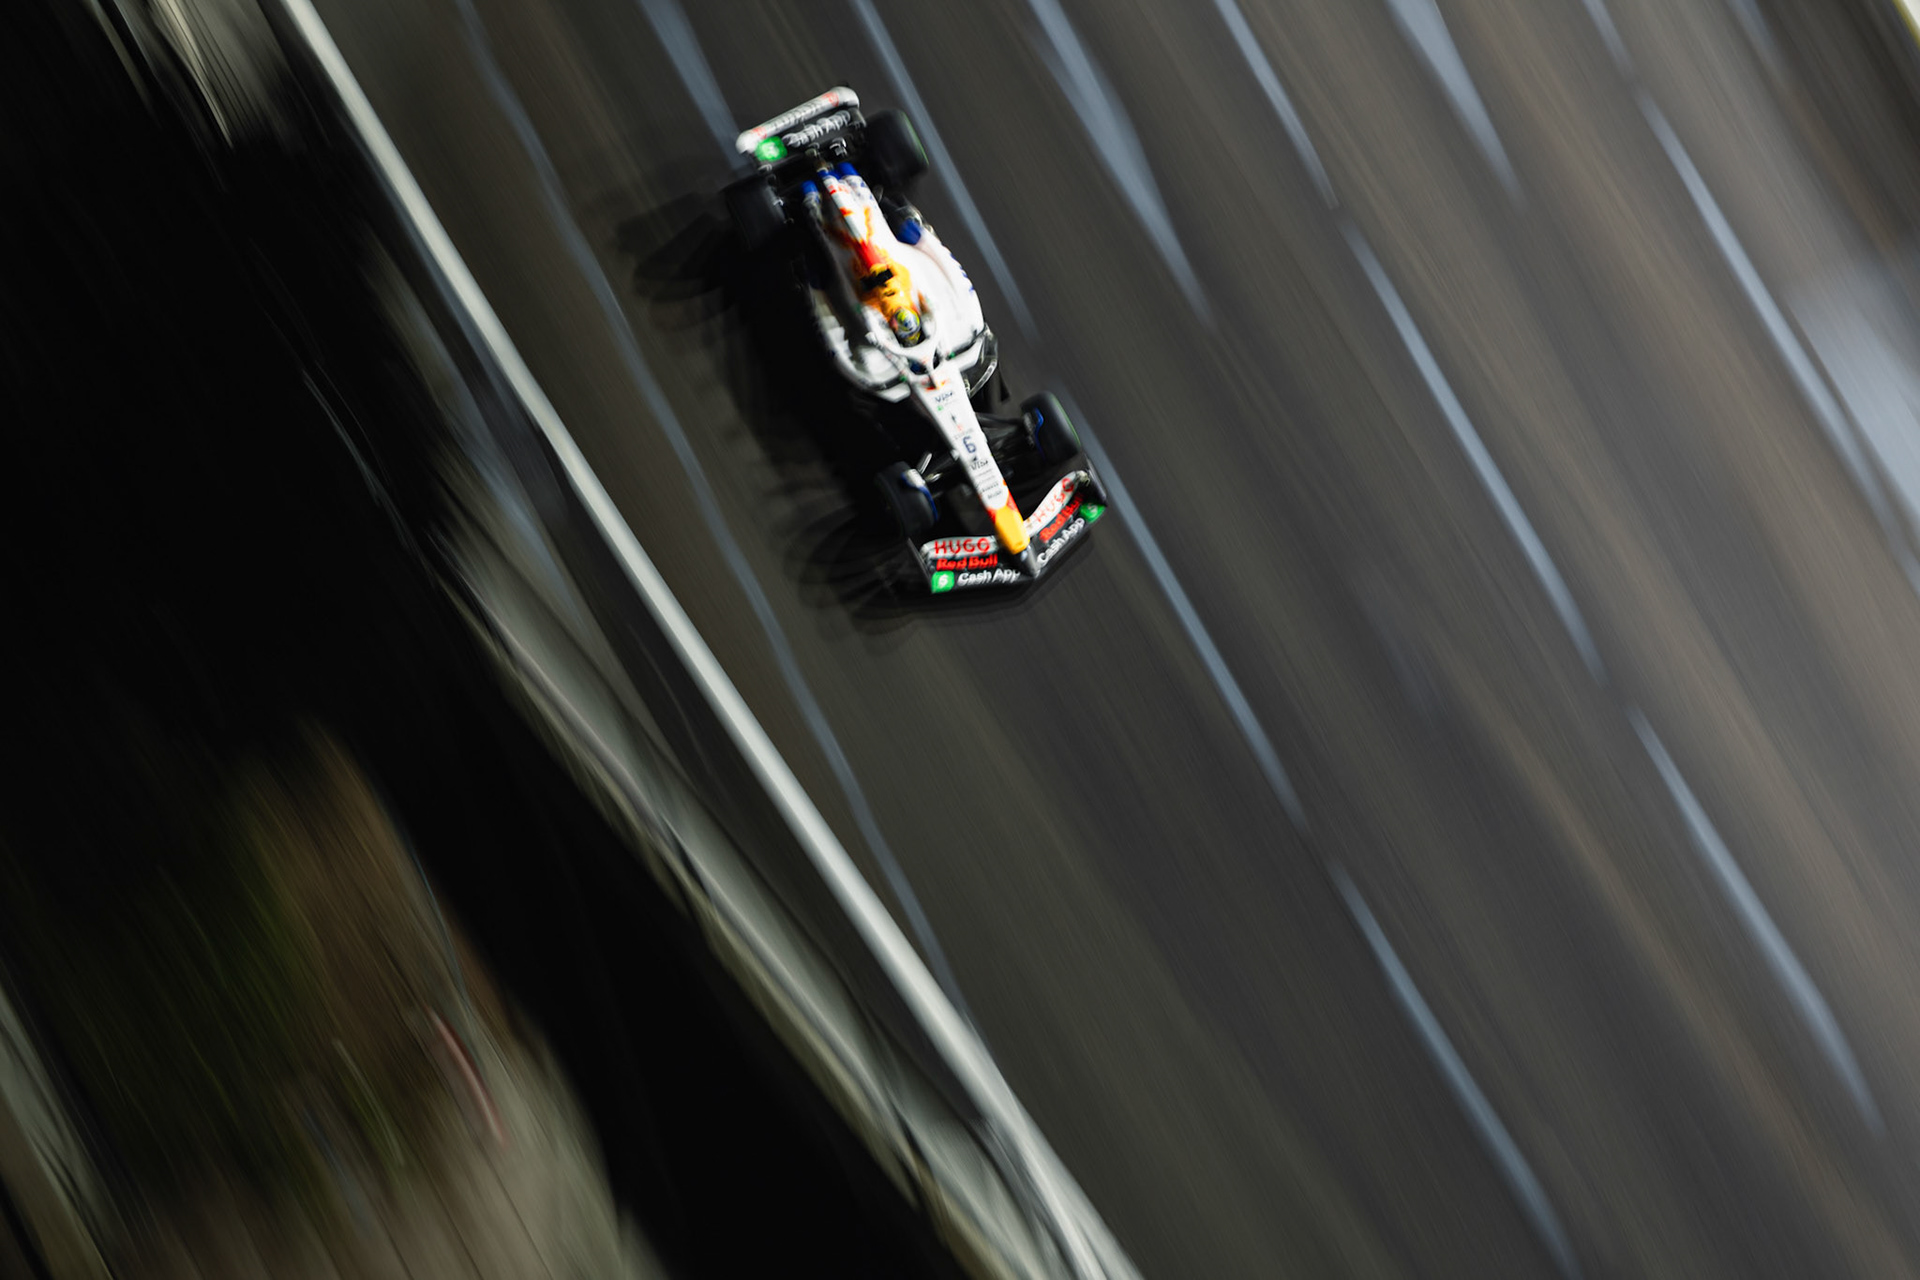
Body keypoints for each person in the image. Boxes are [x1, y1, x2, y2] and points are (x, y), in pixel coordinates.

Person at [802, 161, 930, 353]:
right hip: (876, 246)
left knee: (822, 242)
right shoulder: (909, 294)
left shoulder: (875, 316)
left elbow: (862, 310)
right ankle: (847, 173)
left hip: (850, 264)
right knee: (875, 215)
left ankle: (809, 197)